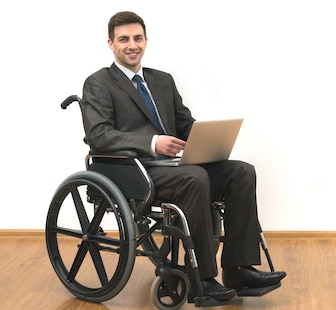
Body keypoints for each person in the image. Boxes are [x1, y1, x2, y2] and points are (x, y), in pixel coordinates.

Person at [79, 11, 286, 301]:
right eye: (123, 39)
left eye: (137, 38)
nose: (132, 45)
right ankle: (202, 278)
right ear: (111, 43)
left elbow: (184, 124)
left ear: (146, 41)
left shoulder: (162, 81)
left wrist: (207, 139)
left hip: (175, 167)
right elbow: (99, 135)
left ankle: (239, 269)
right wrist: (152, 143)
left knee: (242, 171)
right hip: (134, 170)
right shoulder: (98, 83)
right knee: (195, 177)